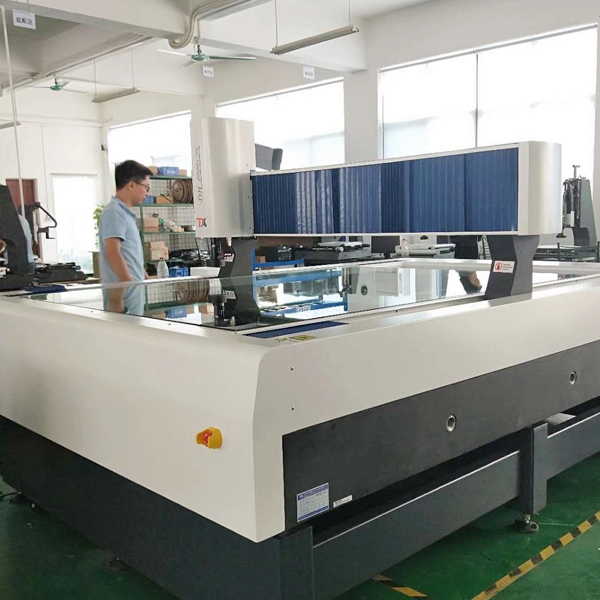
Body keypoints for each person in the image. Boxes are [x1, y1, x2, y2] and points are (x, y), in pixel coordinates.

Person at [99, 160, 152, 315]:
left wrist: (143, 275)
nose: (147, 193)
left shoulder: (125, 213)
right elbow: (112, 251)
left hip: (132, 294)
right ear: (132, 185)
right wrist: (121, 290)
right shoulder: (114, 212)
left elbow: (128, 253)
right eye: (146, 187)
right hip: (123, 298)